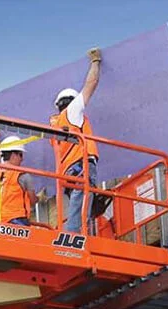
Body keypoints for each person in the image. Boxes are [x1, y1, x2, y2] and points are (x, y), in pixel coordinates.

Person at [51, 47, 102, 233]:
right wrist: (95, 62)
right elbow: (92, 83)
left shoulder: (56, 125)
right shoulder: (73, 112)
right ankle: (72, 238)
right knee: (80, 210)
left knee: (79, 206)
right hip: (81, 166)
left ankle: (73, 233)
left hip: (68, 173)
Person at [0, 128, 38, 226]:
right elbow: (32, 200)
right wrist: (40, 198)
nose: (22, 158)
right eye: (20, 154)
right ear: (13, 154)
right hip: (16, 223)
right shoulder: (24, 176)